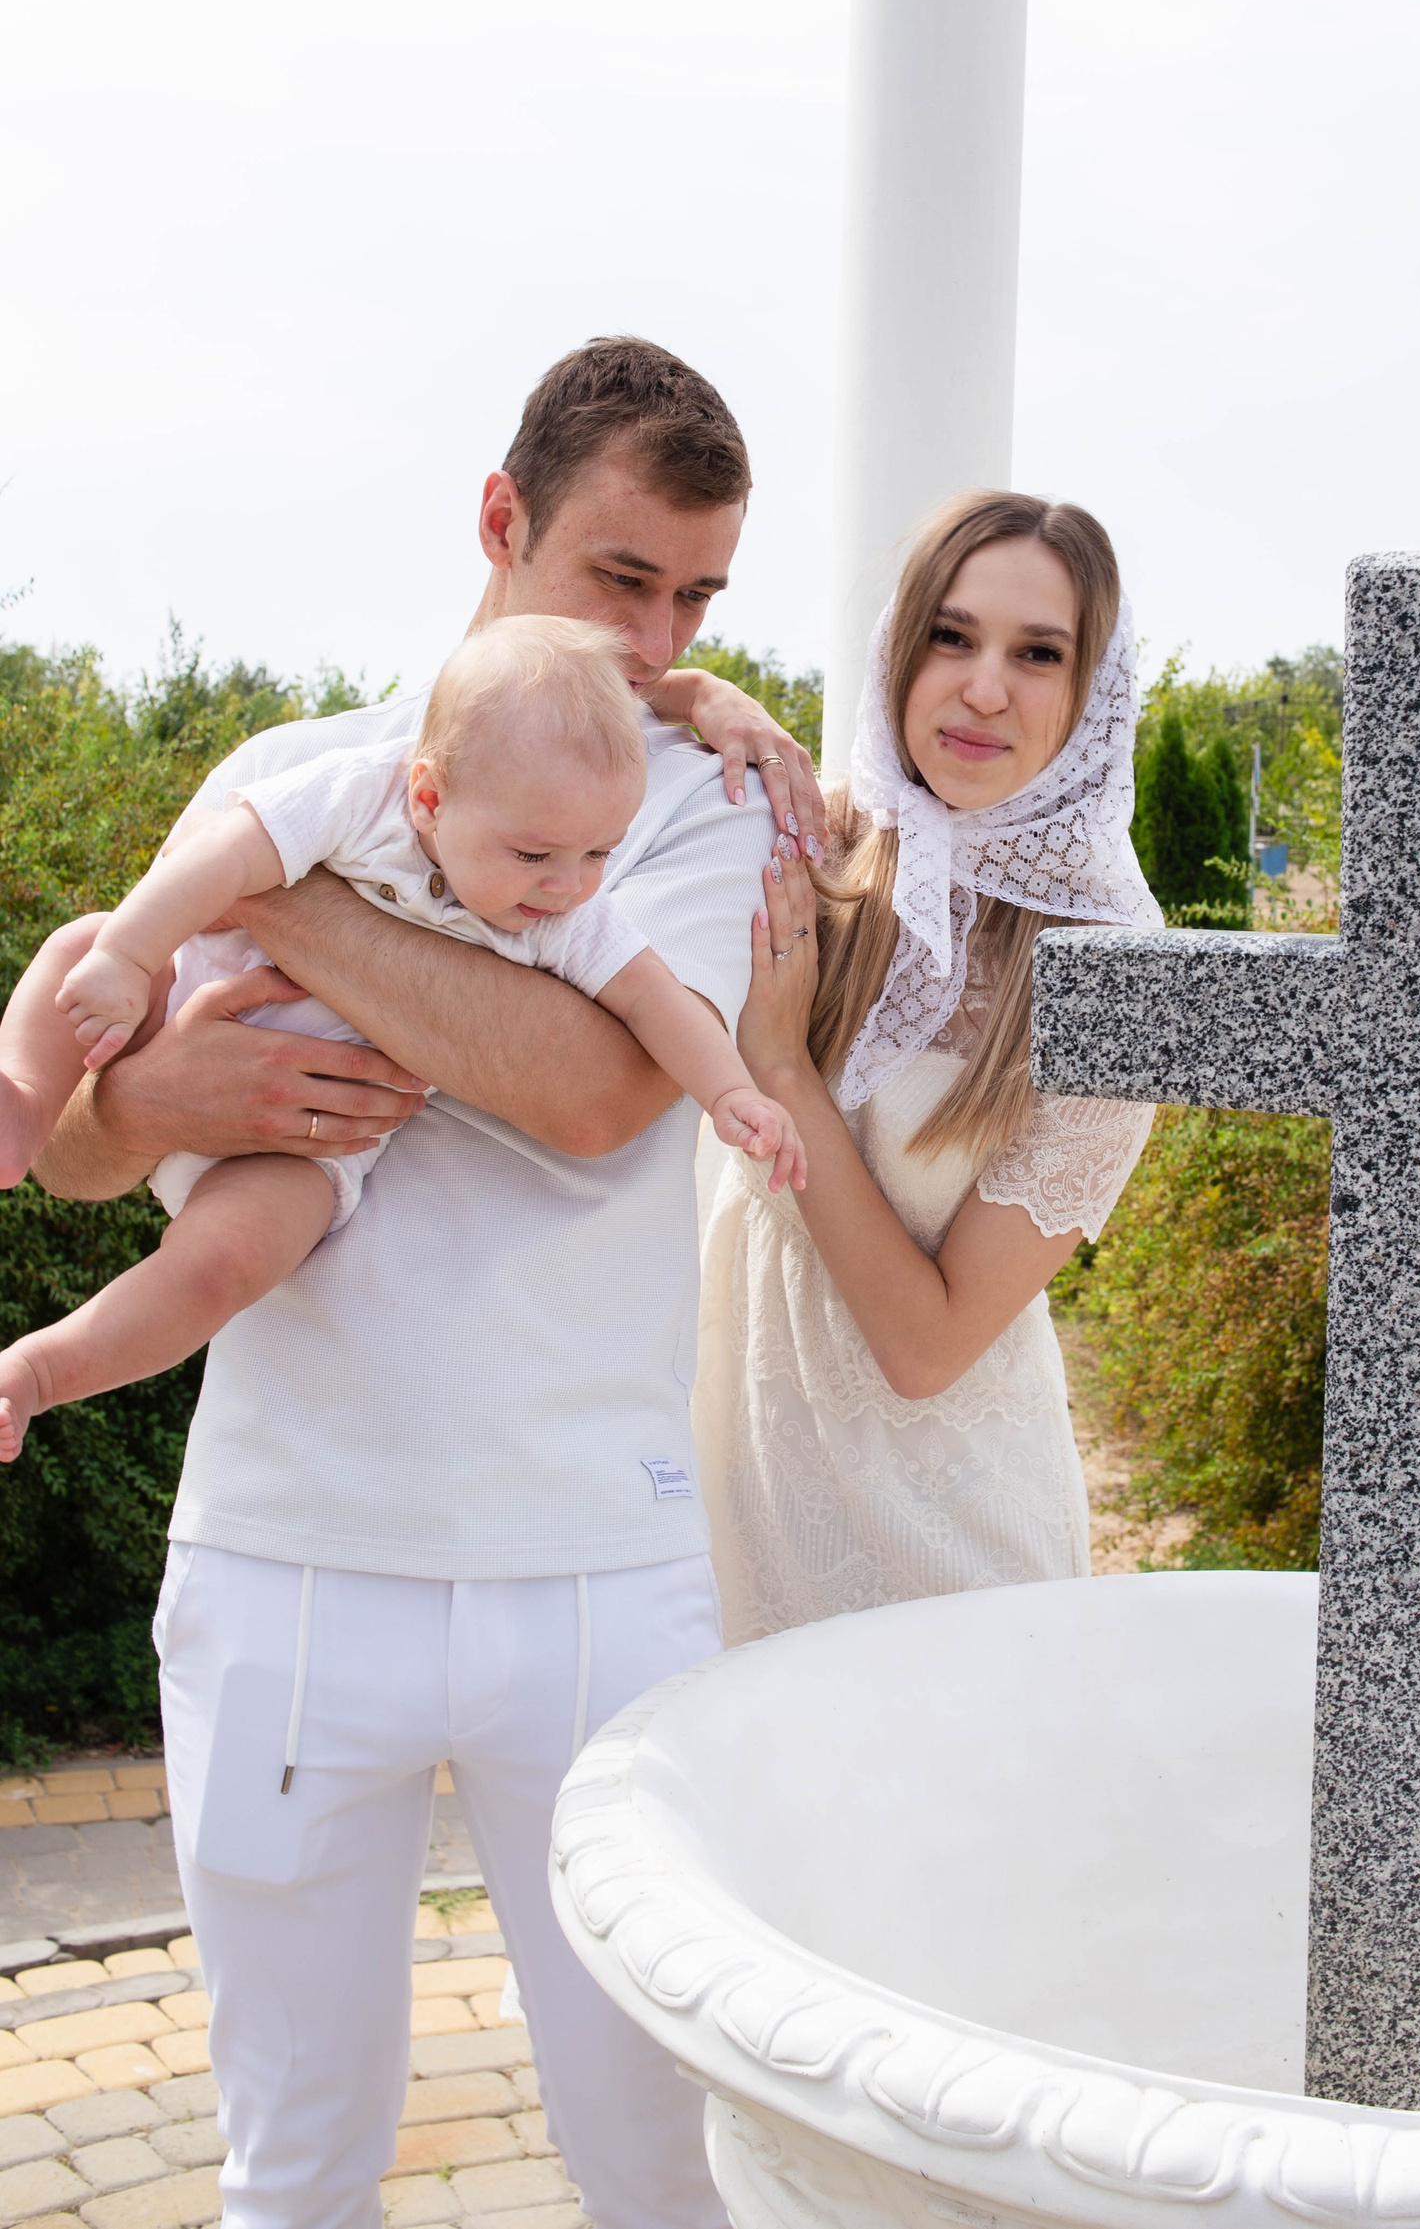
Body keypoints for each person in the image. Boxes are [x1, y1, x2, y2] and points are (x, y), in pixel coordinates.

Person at [27, 337, 822, 2229]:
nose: (655, 640)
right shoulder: (279, 774)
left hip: (600, 1570)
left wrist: (283, 894)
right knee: (292, 2167)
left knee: (664, 2166)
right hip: (289, 1560)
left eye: (697, 598)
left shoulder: (693, 802)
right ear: (498, 516)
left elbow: (594, 1092)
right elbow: (82, 1147)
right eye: (620, 575)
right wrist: (154, 1094)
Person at [0, 614, 805, 1461]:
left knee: (225, 1266)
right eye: (533, 854)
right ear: (429, 797)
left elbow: (653, 998)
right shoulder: (358, 793)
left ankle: (39, 1372)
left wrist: (730, 1091)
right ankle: (22, 1095)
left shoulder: (562, 913)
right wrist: (129, 958)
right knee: (81, 946)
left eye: (600, 852)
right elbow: (221, 856)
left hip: (305, 1146)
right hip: (194, 998)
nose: (569, 884)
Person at [693, 489, 1160, 1640]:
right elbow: (560, 730)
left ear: (1092, 692)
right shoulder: (817, 843)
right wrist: (700, 692)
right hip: (727, 1492)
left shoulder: (1112, 980)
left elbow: (926, 1348)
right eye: (952, 636)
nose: (984, 688)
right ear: (899, 648)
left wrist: (786, 1075)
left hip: (946, 1552)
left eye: (1038, 653)